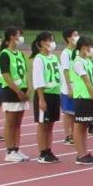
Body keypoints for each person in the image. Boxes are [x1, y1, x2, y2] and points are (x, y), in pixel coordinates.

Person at [0, 27, 30, 163]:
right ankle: (9, 150)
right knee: (11, 122)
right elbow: (6, 75)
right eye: (19, 35)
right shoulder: (5, 54)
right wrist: (17, 91)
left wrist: (27, 89)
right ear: (11, 37)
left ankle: (17, 148)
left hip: (22, 90)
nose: (20, 38)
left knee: (18, 122)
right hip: (11, 91)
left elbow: (25, 73)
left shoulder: (21, 54)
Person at [70, 36, 93, 165]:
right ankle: (80, 154)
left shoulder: (88, 61)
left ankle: (84, 152)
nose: (92, 49)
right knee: (79, 126)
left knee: (84, 127)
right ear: (83, 47)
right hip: (82, 97)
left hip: (88, 97)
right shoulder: (78, 62)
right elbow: (87, 82)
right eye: (90, 47)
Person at [31, 31, 61, 163]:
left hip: (55, 93)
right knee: (43, 124)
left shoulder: (54, 57)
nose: (52, 43)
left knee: (51, 124)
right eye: (49, 40)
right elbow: (38, 80)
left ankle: (49, 150)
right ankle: (43, 152)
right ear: (42, 43)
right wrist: (41, 99)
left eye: (52, 40)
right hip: (45, 94)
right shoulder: (39, 59)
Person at [59, 28, 79, 145]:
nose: (77, 37)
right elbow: (65, 71)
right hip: (68, 87)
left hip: (78, 87)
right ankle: (68, 135)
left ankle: (75, 133)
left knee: (75, 112)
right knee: (68, 113)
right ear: (68, 38)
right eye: (74, 35)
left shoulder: (76, 52)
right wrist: (69, 87)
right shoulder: (65, 53)